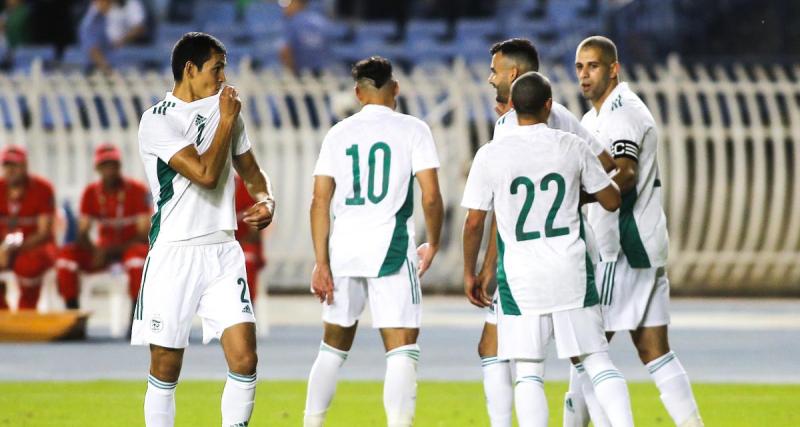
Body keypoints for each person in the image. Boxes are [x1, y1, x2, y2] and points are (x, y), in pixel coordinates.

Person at [462, 71, 634, 427]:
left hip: (520, 277)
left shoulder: (491, 154)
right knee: (597, 360)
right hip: (570, 268)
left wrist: (470, 271)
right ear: (548, 106)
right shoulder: (570, 145)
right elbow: (612, 200)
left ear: (511, 107)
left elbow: (475, 222)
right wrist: (575, 195)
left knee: (528, 371)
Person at [133, 32, 275, 427]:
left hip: (222, 251)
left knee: (246, 357)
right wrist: (226, 119)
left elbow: (251, 171)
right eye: (217, 69)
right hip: (173, 253)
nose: (223, 78)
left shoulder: (227, 112)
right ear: (190, 70)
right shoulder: (157, 120)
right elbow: (206, 175)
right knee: (166, 364)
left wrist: (266, 198)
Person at [572, 35, 703, 427]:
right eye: (579, 67)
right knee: (655, 351)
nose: (584, 75)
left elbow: (624, 174)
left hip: (623, 249)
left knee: (587, 353)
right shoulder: (594, 117)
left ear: (614, 68)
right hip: (644, 245)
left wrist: (573, 198)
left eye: (593, 66)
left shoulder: (622, 113)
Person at [305, 56, 443, 427]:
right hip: (392, 248)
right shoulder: (413, 129)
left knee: (332, 347)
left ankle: (311, 422)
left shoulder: (338, 133)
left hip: (344, 249)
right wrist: (434, 241)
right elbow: (430, 195)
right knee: (401, 348)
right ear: (395, 88)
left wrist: (321, 262)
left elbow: (319, 200)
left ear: (357, 93)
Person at [55, 143, 150, 314]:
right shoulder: (91, 192)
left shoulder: (137, 190)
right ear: (97, 168)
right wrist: (93, 249)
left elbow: (144, 233)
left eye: (113, 164)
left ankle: (135, 318)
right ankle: (73, 315)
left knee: (137, 259)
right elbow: (82, 231)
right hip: (103, 248)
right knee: (66, 257)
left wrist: (108, 251)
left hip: (129, 247)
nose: (109, 170)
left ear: (119, 166)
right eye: (104, 165)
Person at [0, 144, 56, 311]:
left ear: (24, 166)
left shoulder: (42, 189)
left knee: (28, 263)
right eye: (7, 165)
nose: (10, 170)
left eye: (14, 166)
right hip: (5, 247)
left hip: (36, 246)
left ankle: (27, 311)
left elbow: (44, 232)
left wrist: (10, 248)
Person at [279, 0, 332, 75]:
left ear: (297, 3)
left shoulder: (292, 22)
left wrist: (291, 72)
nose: (285, 8)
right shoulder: (322, 21)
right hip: (322, 74)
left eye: (289, 3)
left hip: (299, 75)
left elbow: (285, 51)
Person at [234, 174, 265, 303]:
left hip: (242, 244)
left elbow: (255, 231)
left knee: (247, 259)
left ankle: (246, 307)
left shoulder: (247, 185)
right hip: (213, 244)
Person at [78, 0, 114, 74]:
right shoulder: (91, 22)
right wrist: (109, 72)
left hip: (104, 65)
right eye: (107, 2)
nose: (110, 5)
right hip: (93, 69)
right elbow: (93, 51)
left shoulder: (102, 18)